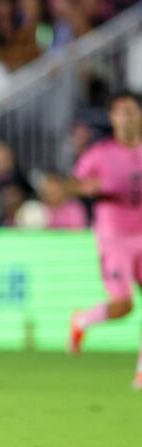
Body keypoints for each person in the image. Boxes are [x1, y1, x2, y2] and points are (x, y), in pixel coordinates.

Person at [68, 92, 142, 389]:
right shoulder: (99, 154)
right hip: (114, 238)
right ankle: (82, 320)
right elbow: (72, 184)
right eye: (119, 111)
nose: (125, 116)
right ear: (112, 118)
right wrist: (90, 187)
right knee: (124, 305)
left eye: (130, 110)